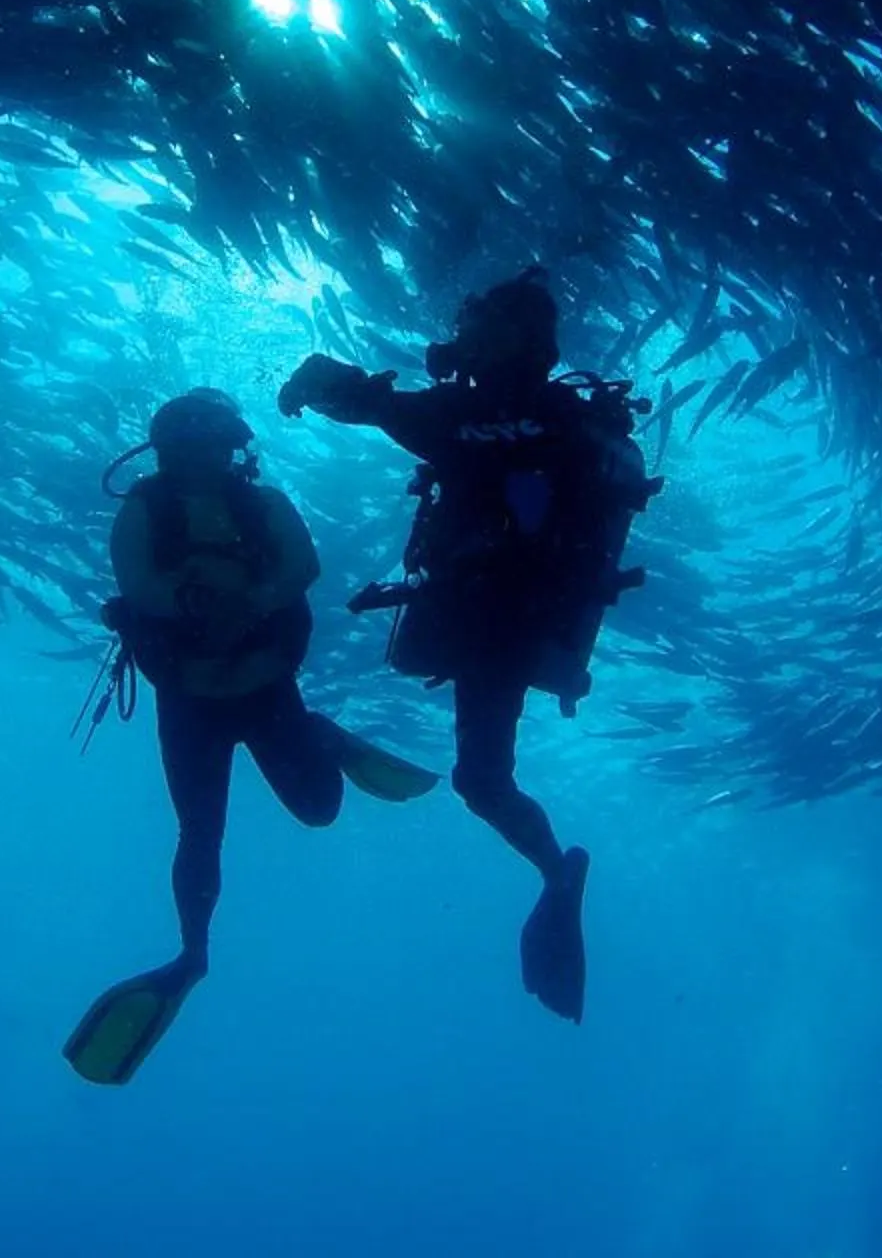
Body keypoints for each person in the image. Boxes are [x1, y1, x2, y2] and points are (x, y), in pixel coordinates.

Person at [279, 268, 655, 1024]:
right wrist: (332, 386)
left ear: (514, 339)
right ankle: (555, 872)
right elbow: (391, 410)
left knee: (479, 779)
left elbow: (385, 409)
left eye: (476, 325)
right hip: (503, 623)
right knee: (481, 781)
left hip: (493, 623)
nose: (462, 336)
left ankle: (557, 873)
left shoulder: (481, 417)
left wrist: (314, 382)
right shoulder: (546, 418)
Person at [62, 387, 438, 1087]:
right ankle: (192, 953)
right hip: (189, 701)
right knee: (199, 831)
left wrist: (247, 604)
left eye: (209, 444)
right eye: (186, 446)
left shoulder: (263, 505)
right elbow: (136, 582)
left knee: (319, 811)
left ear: (230, 447)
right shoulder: (145, 509)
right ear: (166, 450)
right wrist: (194, 606)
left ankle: (322, 736)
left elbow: (303, 566)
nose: (199, 457)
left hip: (264, 687)